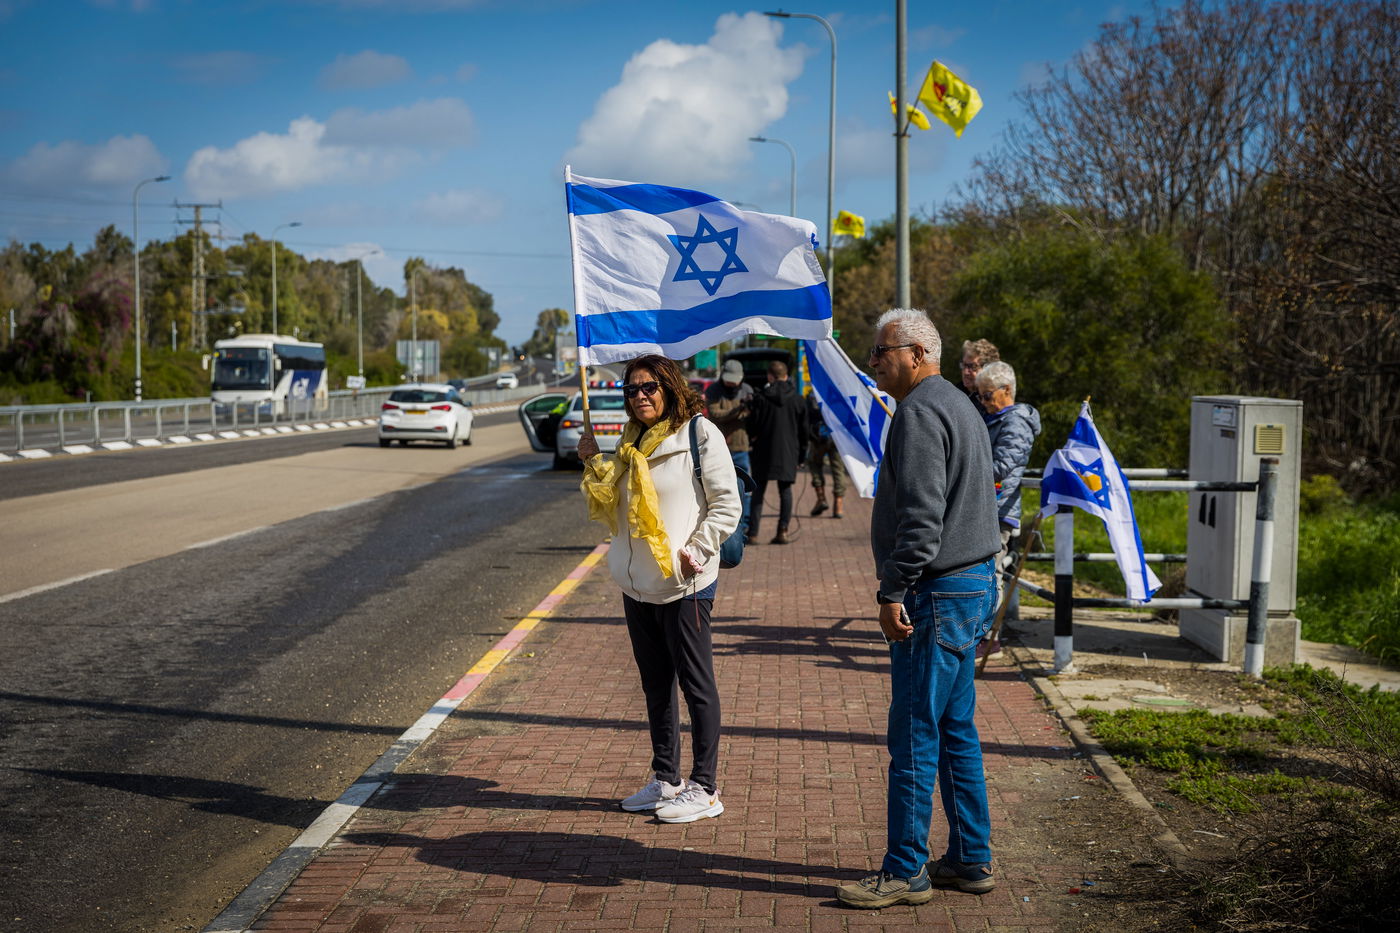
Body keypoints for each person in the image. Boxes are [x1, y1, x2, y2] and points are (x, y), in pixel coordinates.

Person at [836, 309, 1000, 909]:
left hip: (938, 590)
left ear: (916, 354)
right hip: (970, 584)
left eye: (882, 352)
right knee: (955, 728)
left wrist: (892, 591)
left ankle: (905, 870)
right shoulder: (957, 404)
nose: (874, 361)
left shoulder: (922, 412)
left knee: (913, 732)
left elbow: (923, 520)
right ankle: (970, 856)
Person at [577, 354, 741, 823]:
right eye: (631, 390)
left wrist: (699, 548)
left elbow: (725, 505)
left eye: (649, 387)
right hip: (638, 585)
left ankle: (706, 788)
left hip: (684, 582)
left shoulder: (699, 434)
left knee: (697, 685)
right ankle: (667, 779)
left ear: (669, 387)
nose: (640, 396)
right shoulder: (631, 442)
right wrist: (593, 463)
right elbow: (613, 505)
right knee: (655, 685)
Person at [975, 361, 1041, 643]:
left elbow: (1001, 465)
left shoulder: (1015, 422)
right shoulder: (997, 419)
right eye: (980, 396)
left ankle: (991, 636)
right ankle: (981, 633)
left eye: (987, 395)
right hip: (986, 508)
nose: (984, 402)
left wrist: (961, 470)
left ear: (1006, 391)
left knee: (993, 574)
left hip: (999, 510)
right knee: (984, 573)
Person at [746, 360, 804, 545]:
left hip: (763, 450)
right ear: (786, 376)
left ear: (770, 376)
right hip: (788, 452)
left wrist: (753, 436)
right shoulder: (797, 399)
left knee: (758, 492)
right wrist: (802, 455)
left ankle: (753, 533)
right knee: (785, 491)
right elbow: (805, 431)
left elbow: (752, 426)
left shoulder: (761, 398)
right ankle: (783, 531)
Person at [705, 359, 755, 532]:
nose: (731, 384)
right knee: (718, 489)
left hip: (741, 446)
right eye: (728, 381)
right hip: (720, 449)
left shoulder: (747, 390)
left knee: (745, 490)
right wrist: (737, 411)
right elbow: (715, 414)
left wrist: (747, 409)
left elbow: (752, 416)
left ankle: (745, 524)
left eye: (735, 381)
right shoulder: (713, 390)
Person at [804, 391, 847, 518]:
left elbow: (808, 417)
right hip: (837, 438)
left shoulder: (814, 392)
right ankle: (838, 505)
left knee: (814, 464)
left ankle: (821, 498)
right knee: (838, 469)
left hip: (819, 438)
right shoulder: (840, 392)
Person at [959, 338, 1000, 414]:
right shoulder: (954, 394)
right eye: (964, 365)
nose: (966, 372)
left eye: (973, 367)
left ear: (988, 369)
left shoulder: (996, 402)